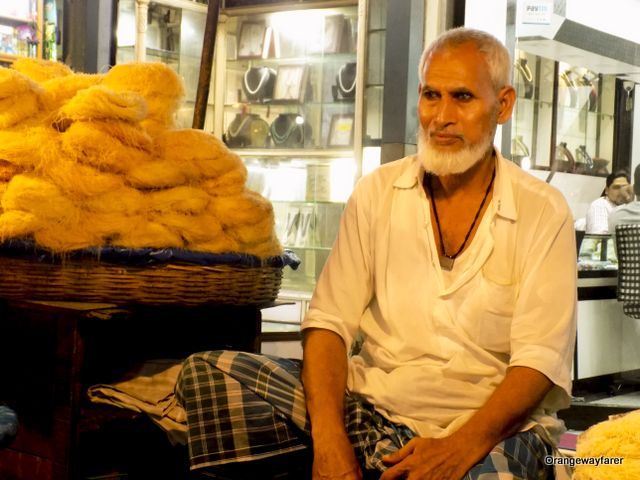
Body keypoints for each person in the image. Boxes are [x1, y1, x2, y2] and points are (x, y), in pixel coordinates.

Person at [176, 27, 577, 480]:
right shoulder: (378, 192)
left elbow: (538, 362)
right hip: (372, 409)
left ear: (502, 105)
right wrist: (329, 442)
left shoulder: (542, 211)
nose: (441, 117)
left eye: (462, 97)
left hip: (488, 428)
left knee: (489, 476)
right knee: (211, 373)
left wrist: (458, 449)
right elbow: (329, 323)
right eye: (431, 95)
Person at [608, 165, 640, 237]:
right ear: (607, 190)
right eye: (616, 188)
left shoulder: (615, 215)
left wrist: (629, 201)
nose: (620, 191)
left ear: (634, 189)